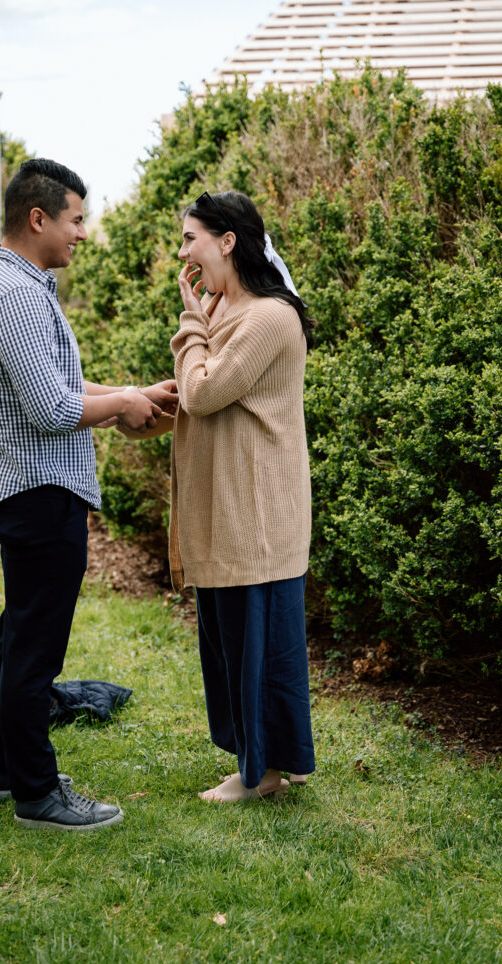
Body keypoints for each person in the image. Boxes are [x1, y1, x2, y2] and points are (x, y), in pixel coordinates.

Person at [0, 158, 177, 830]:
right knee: (36, 645)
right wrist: (124, 404)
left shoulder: (11, 285)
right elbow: (53, 409)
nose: (82, 233)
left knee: (17, 631)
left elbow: (51, 387)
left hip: (28, 486)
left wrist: (130, 395)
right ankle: (37, 792)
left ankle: (0, 766)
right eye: (75, 219)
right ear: (39, 218)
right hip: (36, 489)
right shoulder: (19, 295)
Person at [169, 189, 316, 802]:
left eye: (189, 239)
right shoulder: (229, 311)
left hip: (256, 513)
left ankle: (264, 773)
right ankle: (259, 762)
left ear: (227, 241)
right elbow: (200, 388)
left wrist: (188, 321)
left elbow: (203, 392)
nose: (182, 253)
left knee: (260, 648)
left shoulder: (268, 317)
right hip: (226, 512)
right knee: (232, 643)